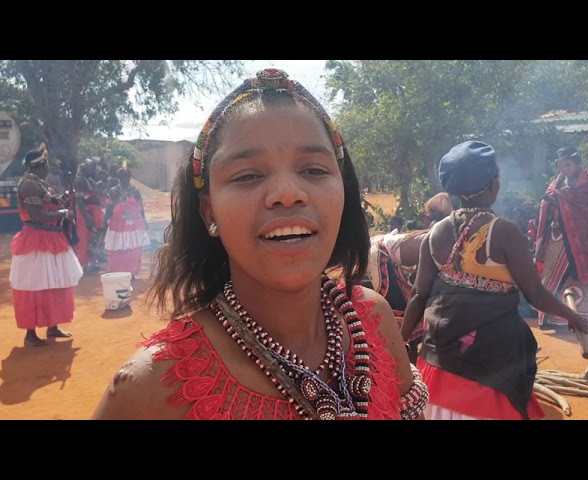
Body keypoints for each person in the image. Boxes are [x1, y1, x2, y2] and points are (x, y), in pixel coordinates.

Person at [90, 68, 428, 420]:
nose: (288, 194)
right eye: (248, 176)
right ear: (209, 213)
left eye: (314, 170)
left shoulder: (373, 319)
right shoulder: (153, 387)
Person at [401, 140, 588, 420]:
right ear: (493, 187)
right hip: (491, 370)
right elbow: (535, 295)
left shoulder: (434, 233)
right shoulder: (505, 232)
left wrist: (398, 342)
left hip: (436, 368)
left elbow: (418, 296)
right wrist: (574, 318)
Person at [534, 146, 588, 330]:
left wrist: (563, 198)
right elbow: (548, 201)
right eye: (560, 165)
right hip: (557, 238)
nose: (563, 169)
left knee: (579, 282)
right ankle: (552, 319)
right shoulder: (556, 183)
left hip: (583, 242)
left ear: (577, 163)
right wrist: (551, 200)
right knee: (550, 277)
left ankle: (579, 320)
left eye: (567, 165)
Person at [8, 144, 83, 346]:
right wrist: (63, 213)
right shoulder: (29, 185)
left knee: (55, 282)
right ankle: (30, 334)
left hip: (52, 239)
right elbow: (36, 215)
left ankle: (52, 326)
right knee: (34, 285)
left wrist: (62, 202)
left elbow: (48, 204)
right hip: (35, 241)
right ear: (42, 164)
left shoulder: (40, 183)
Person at [365, 195, 453, 364]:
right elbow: (421, 287)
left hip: (390, 258)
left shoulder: (445, 231)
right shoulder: (439, 232)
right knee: (402, 316)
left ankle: (404, 358)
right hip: (379, 256)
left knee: (415, 315)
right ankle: (397, 354)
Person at [103, 166, 149, 278]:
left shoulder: (135, 191)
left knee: (132, 247)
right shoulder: (113, 191)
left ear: (130, 178)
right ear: (119, 178)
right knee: (118, 246)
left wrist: (144, 220)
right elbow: (109, 207)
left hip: (132, 223)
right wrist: (105, 220)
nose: (125, 179)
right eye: (123, 176)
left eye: (127, 176)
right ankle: (119, 270)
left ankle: (131, 272)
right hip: (117, 224)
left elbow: (140, 206)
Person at [74, 159, 104, 274]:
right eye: (92, 168)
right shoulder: (80, 180)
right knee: (84, 239)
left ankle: (92, 263)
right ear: (86, 169)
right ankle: (83, 265)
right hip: (85, 214)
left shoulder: (90, 179)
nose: (94, 170)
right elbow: (79, 201)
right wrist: (87, 218)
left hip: (93, 213)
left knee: (94, 239)